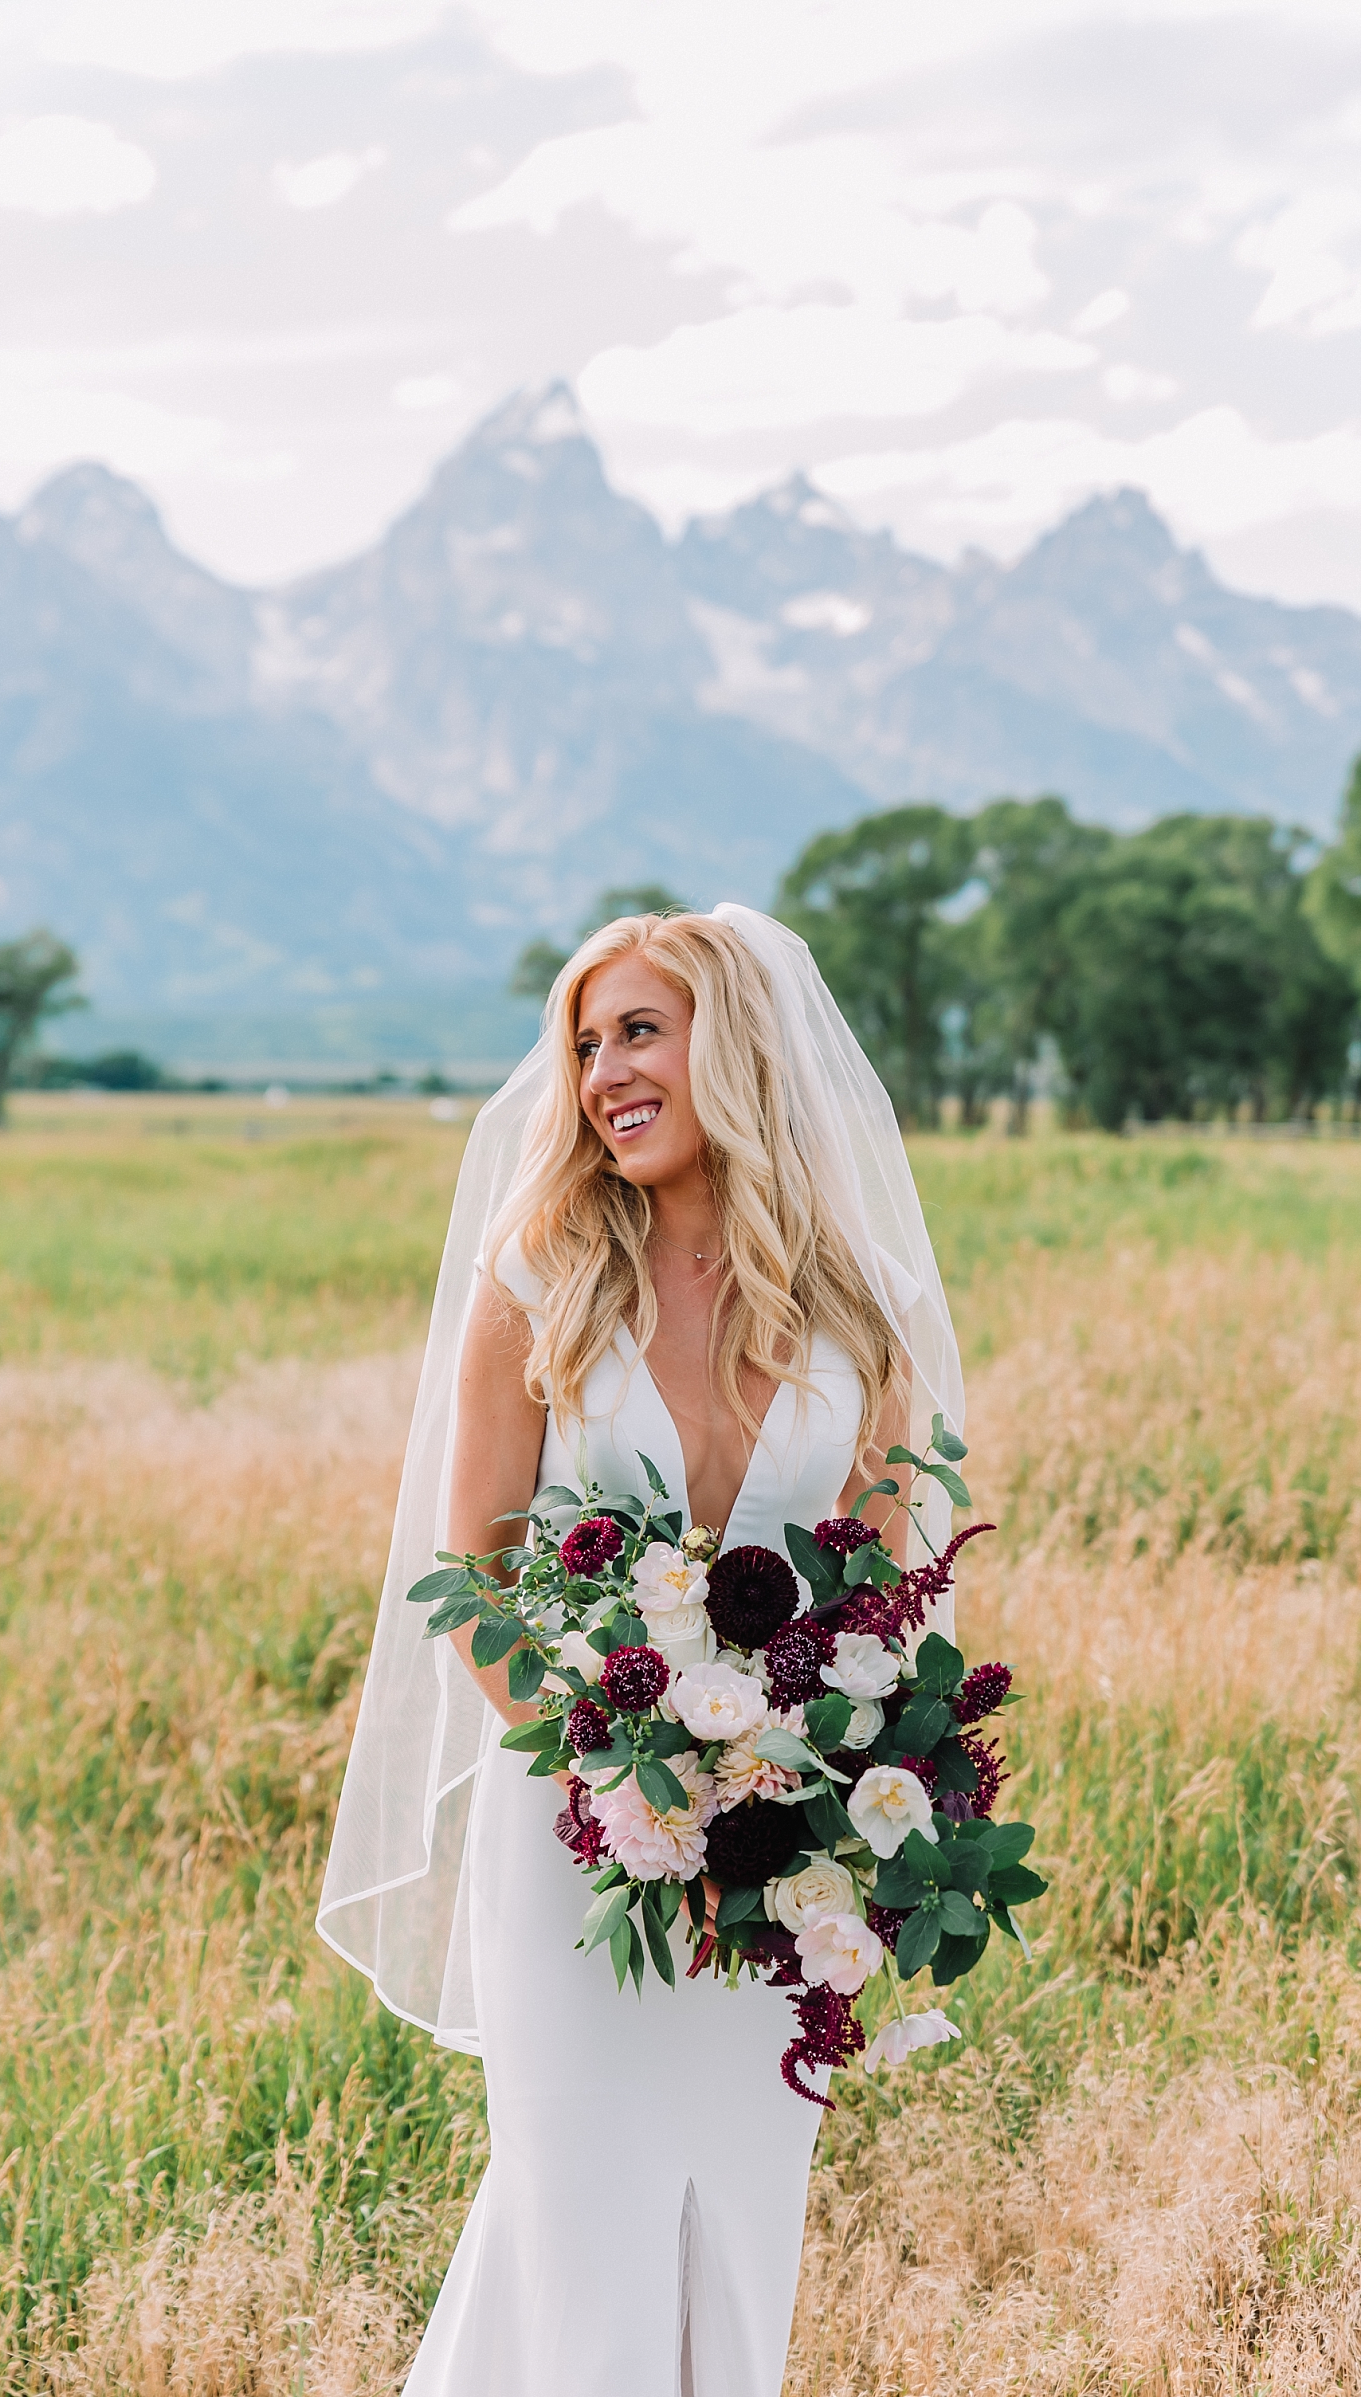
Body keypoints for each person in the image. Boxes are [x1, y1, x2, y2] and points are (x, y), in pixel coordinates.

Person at [318, 905, 964, 2396]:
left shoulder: (864, 1304)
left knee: (737, 2224)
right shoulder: (541, 1277)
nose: (604, 1070)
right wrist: (616, 1770)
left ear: (733, 1045)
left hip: (789, 1856)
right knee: (578, 2219)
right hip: (575, 1834)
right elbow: (472, 1562)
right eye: (586, 1041)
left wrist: (817, 1780)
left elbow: (890, 1586)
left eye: (640, 1031)